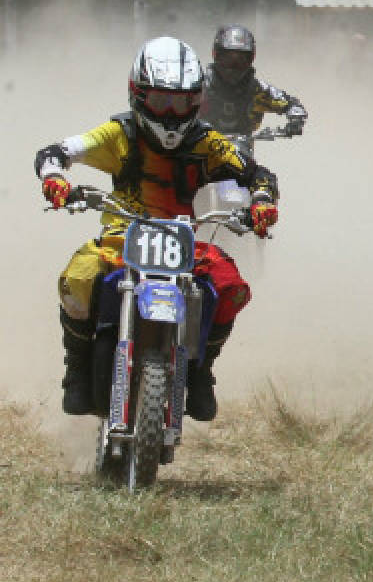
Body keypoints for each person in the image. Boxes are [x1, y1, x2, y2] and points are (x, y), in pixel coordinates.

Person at [36, 36, 280, 420]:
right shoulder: (119, 133)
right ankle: (77, 371)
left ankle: (201, 373)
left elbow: (257, 173)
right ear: (138, 94)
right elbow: (58, 152)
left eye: (181, 102)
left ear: (197, 101)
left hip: (184, 239)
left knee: (231, 287)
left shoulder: (207, 142)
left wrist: (263, 200)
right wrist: (54, 178)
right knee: (77, 279)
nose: (170, 113)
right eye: (161, 100)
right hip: (121, 236)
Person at [203, 24, 307, 138]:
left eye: (240, 61)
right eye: (227, 59)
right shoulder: (198, 87)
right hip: (198, 150)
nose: (233, 67)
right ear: (215, 55)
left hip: (241, 151)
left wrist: (296, 120)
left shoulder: (257, 90)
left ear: (251, 59)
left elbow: (291, 104)